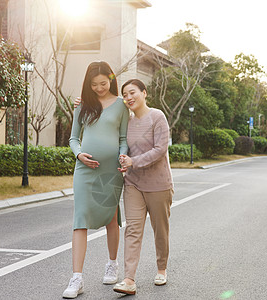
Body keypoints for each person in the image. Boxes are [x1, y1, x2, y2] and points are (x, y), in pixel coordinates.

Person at [62, 61, 129, 299]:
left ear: (111, 79)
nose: (99, 88)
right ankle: (76, 277)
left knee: (111, 216)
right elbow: (73, 139)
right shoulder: (83, 105)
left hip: (111, 170)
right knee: (80, 219)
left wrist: (123, 157)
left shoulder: (121, 105)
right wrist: (79, 154)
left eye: (103, 83)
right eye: (94, 84)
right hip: (84, 170)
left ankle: (112, 264)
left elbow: (123, 138)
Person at [113, 79, 174, 295]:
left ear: (144, 93)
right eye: (125, 94)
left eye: (133, 92)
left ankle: (161, 269)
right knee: (133, 230)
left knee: (160, 230)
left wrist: (133, 161)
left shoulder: (157, 117)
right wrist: (124, 163)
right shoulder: (126, 122)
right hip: (133, 184)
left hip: (158, 184)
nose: (129, 97)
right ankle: (129, 279)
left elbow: (160, 149)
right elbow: (123, 147)